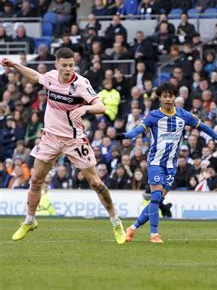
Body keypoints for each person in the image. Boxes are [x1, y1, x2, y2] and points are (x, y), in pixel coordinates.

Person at [1, 48, 127, 244]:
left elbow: (100, 106)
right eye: (65, 65)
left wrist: (86, 108)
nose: (69, 69)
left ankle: (116, 222)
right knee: (35, 180)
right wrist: (15, 65)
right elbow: (35, 76)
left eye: (71, 65)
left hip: (74, 140)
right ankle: (29, 221)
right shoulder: (50, 77)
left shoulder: (81, 84)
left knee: (95, 183)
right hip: (50, 138)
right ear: (56, 65)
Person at [117, 83, 217, 244]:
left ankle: (132, 229)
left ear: (174, 97)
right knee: (155, 197)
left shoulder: (183, 115)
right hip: (156, 162)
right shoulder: (153, 116)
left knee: (156, 202)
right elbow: (138, 130)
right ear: (160, 98)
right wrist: (126, 136)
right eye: (165, 96)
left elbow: (205, 128)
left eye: (171, 96)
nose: (168, 99)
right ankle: (154, 235)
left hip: (171, 165)